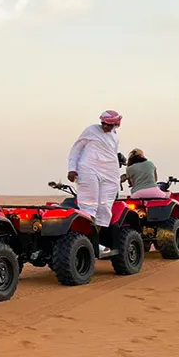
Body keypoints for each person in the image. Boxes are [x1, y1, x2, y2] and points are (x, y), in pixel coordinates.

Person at [67, 109, 123, 256]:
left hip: (109, 174)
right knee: (89, 207)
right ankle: (84, 242)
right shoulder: (91, 130)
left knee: (104, 209)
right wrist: (72, 168)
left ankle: (92, 242)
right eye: (103, 123)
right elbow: (76, 149)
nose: (105, 127)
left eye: (109, 125)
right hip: (88, 169)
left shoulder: (114, 137)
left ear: (115, 125)